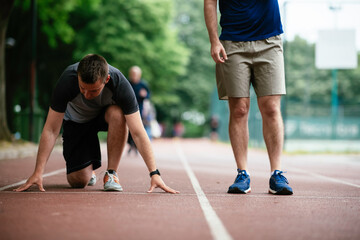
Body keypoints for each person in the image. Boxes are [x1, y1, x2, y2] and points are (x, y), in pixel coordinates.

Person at [14, 54, 179, 194]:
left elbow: (138, 131)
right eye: (82, 88)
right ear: (77, 76)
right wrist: (38, 171)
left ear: (106, 79)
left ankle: (112, 173)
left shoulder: (120, 84)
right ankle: (88, 168)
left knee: (118, 113)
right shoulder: (67, 80)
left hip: (103, 117)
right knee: (78, 182)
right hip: (76, 121)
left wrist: (154, 173)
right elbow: (51, 129)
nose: (86, 95)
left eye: (93, 90)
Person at [204, 0, 293, 195]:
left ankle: (277, 173)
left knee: (271, 107)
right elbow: (210, 3)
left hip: (269, 40)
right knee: (239, 109)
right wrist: (214, 40)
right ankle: (242, 173)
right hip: (232, 43)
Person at [127, 66, 151, 154]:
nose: (134, 76)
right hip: (128, 108)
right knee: (128, 128)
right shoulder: (127, 83)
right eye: (132, 74)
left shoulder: (143, 84)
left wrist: (145, 95)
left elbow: (148, 95)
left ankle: (136, 146)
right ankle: (130, 144)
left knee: (137, 128)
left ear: (139, 75)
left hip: (139, 109)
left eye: (136, 74)